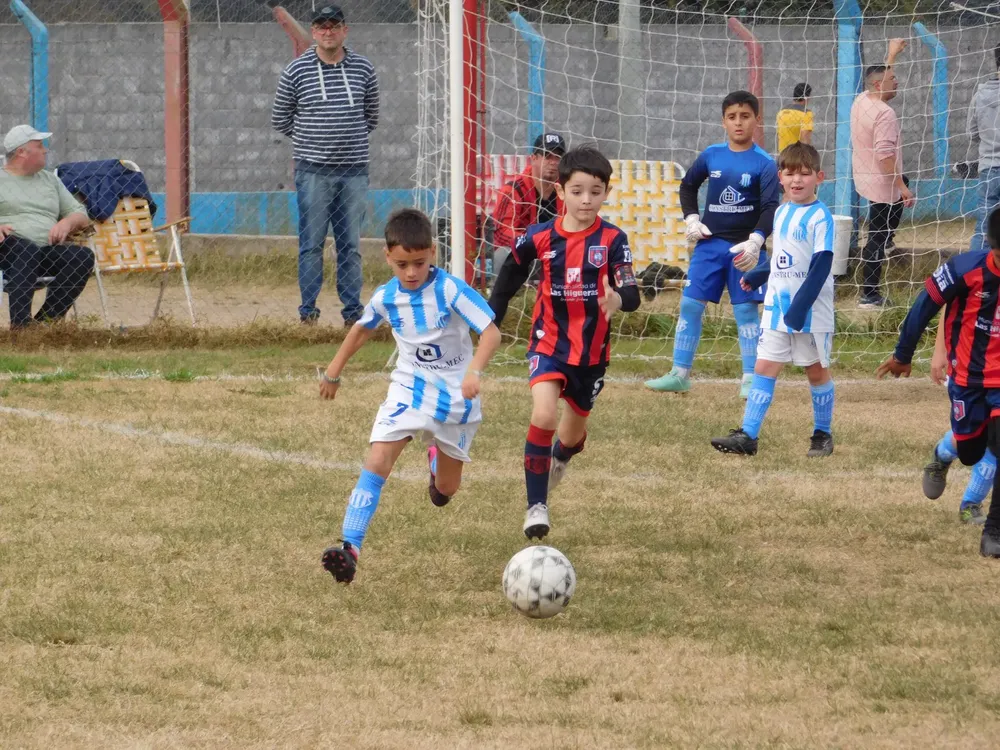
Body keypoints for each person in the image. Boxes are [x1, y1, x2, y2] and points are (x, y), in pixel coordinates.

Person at [318, 208, 501, 584]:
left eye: (419, 263)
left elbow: (491, 331)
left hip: (456, 399)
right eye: (402, 264)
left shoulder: (450, 289)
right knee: (378, 457)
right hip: (409, 389)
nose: (411, 272)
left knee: (446, 490)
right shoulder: (387, 297)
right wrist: (334, 371)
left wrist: (474, 370)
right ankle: (350, 547)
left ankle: (437, 461)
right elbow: (361, 330)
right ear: (388, 257)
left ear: (432, 253)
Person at [489, 146, 641, 539]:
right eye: (577, 191)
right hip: (548, 344)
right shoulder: (540, 236)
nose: (586, 199)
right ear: (561, 193)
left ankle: (560, 456)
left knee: (571, 437)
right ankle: (536, 506)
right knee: (543, 416)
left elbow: (632, 292)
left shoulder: (613, 239)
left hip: (590, 356)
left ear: (606, 192)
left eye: (595, 191)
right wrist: (492, 316)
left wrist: (617, 299)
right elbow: (509, 276)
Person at [876, 206, 1000, 557]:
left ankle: (993, 530)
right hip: (968, 377)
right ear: (993, 248)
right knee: (972, 449)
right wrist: (903, 355)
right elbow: (923, 306)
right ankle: (943, 454)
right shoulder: (964, 269)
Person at [645, 90, 779, 399]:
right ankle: (679, 374)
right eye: (732, 117)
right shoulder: (711, 155)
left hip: (745, 249)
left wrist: (757, 241)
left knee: (745, 310)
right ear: (723, 121)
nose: (738, 123)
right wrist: (692, 219)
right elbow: (688, 185)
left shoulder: (765, 163)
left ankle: (750, 377)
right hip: (709, 246)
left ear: (757, 120)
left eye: (745, 116)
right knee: (690, 304)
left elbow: (770, 207)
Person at [710, 143, 835, 457]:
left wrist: (800, 307)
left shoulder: (821, 217)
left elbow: (820, 267)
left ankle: (822, 434)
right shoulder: (781, 212)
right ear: (781, 177)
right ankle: (748, 436)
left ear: (819, 177)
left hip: (809, 312)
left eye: (805, 174)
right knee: (764, 366)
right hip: (777, 307)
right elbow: (781, 257)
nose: (797, 180)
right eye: (790, 173)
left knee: (815, 371)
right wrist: (758, 275)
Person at [271, 4, 380, 326]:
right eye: (321, 26)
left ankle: (352, 314)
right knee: (311, 246)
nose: (328, 31)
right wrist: (314, 140)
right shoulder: (296, 71)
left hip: (354, 172)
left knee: (351, 246)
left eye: (334, 25)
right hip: (313, 173)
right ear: (314, 31)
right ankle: (308, 314)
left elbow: (370, 116)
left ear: (345, 30)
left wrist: (344, 138)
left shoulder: (364, 69)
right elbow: (280, 119)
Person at [0, 125, 94, 329]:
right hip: (6, 251)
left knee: (82, 257)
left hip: (43, 250)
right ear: (22, 152)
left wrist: (67, 222)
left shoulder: (50, 180)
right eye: (39, 145)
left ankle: (45, 324)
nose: (45, 150)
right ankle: (21, 327)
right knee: (26, 250)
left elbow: (81, 214)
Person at [851, 39, 915, 309]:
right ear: (879, 85)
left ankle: (888, 238)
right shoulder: (885, 113)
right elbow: (885, 155)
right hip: (882, 183)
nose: (897, 81)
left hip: (864, 178)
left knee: (880, 232)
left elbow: (881, 75)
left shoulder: (862, 99)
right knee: (875, 236)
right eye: (893, 78)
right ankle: (869, 294)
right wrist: (900, 186)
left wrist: (892, 54)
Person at [919, 320, 995, 525]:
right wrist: (940, 351)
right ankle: (942, 453)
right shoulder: (979, 287)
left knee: (994, 440)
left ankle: (970, 504)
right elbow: (946, 302)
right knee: (973, 437)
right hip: (968, 369)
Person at [490, 132, 566, 256]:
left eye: (558, 157)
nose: (553, 162)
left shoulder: (568, 191)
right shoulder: (514, 190)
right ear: (534, 158)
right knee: (502, 254)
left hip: (559, 253)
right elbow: (501, 233)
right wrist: (536, 242)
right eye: (547, 156)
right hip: (526, 253)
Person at [967, 43, 1000, 254]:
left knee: (984, 226)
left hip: (989, 168)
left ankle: (975, 272)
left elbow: (972, 133)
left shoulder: (980, 94)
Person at [775, 82, 814, 154]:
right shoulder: (806, 114)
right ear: (807, 97)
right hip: (796, 157)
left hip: (782, 155)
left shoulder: (781, 112)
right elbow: (805, 139)